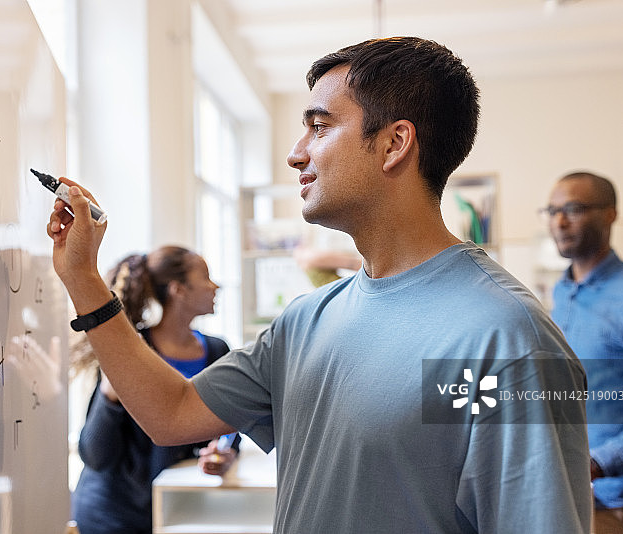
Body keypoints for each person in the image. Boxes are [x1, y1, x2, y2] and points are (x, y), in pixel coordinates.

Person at [48, 37, 591, 533]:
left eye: (320, 126)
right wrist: (82, 279)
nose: (296, 153)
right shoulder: (305, 321)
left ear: (394, 144)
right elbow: (172, 414)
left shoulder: (509, 338)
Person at [70, 246, 238, 534]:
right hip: (112, 515)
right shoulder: (133, 348)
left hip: (178, 507)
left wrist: (224, 453)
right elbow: (96, 455)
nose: (215, 286)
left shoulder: (217, 350)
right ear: (178, 290)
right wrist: (110, 395)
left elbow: (229, 423)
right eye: (206, 277)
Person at [545, 171, 623, 534]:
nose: (559, 221)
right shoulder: (562, 292)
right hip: (571, 498)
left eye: (574, 208)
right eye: (552, 210)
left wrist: (598, 462)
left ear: (610, 214)